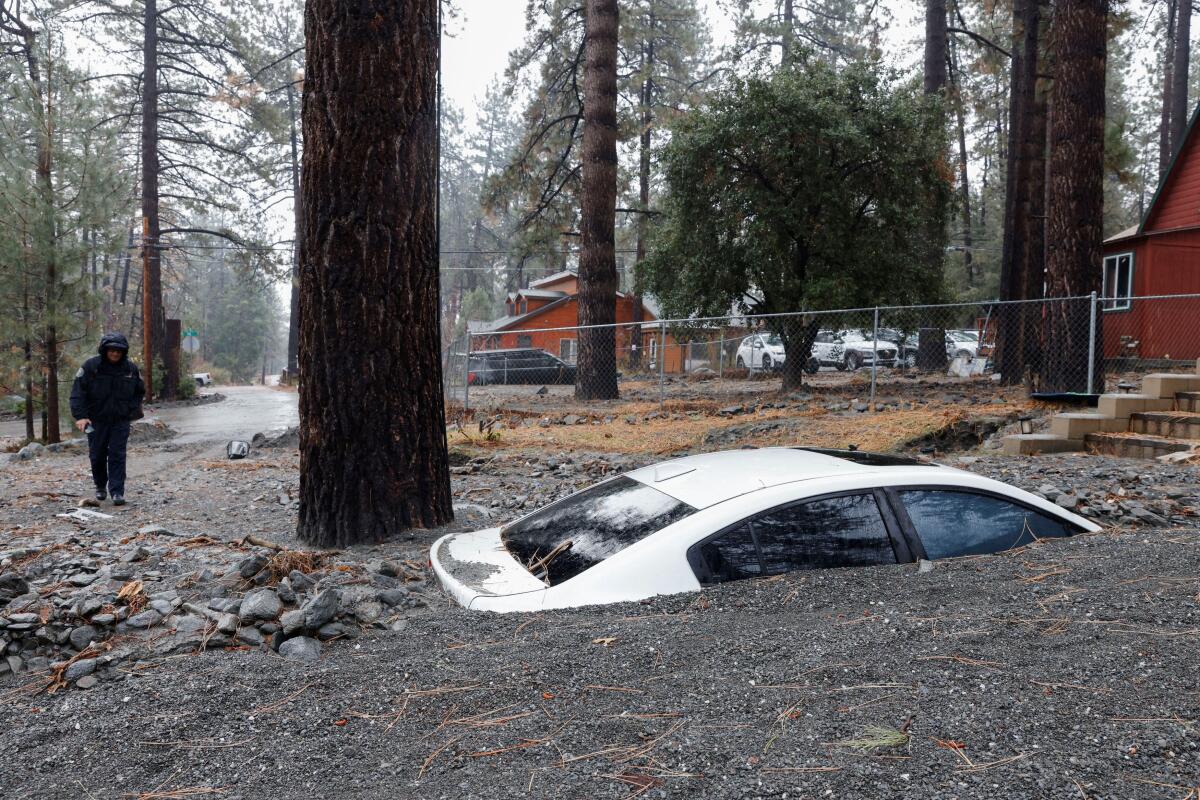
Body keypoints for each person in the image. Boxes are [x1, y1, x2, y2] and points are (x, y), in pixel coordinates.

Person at [69, 333, 145, 505]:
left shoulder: (130, 369)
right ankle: (100, 485)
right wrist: (80, 416)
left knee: (117, 454)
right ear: (105, 350)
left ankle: (117, 491)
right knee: (97, 455)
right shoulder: (91, 367)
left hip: (120, 420)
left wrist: (131, 410)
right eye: (112, 350)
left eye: (119, 351)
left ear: (123, 352)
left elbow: (139, 392)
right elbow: (77, 393)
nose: (115, 354)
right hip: (96, 420)